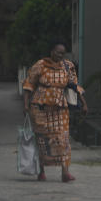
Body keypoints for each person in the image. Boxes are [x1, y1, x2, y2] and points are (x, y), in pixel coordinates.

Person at [21, 40, 88, 182]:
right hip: (40, 109)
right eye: (58, 52)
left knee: (63, 140)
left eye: (63, 53)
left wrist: (84, 103)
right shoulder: (40, 65)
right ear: (51, 51)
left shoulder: (68, 66)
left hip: (60, 109)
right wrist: (26, 105)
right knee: (42, 141)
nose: (60, 55)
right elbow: (29, 84)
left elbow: (74, 86)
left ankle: (65, 172)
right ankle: (42, 171)